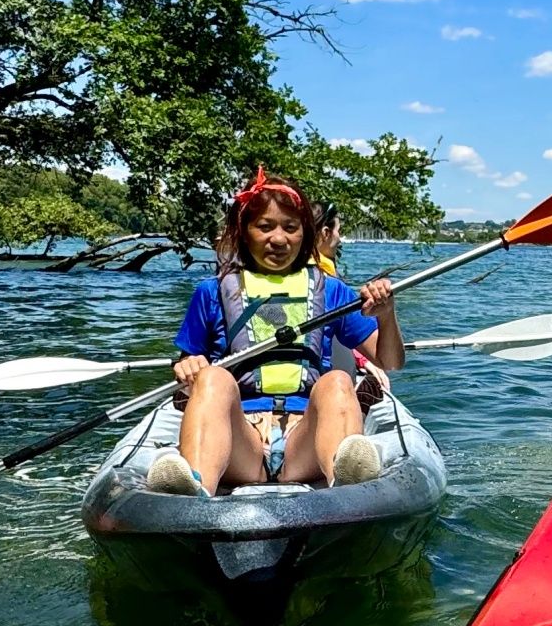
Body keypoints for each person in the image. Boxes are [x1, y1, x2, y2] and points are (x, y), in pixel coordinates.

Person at [144, 167, 403, 496]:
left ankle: (348, 488)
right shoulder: (211, 292)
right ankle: (194, 491)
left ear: (304, 233)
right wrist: (188, 366)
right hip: (241, 444)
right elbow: (186, 365)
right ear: (245, 231)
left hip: (305, 441)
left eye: (290, 228)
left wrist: (387, 315)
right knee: (212, 378)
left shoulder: (332, 291)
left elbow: (390, 360)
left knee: (338, 381)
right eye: (264, 227)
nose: (278, 239)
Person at [311, 200, 346, 277]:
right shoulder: (325, 277)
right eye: (338, 230)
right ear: (326, 233)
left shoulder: (294, 266)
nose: (339, 240)